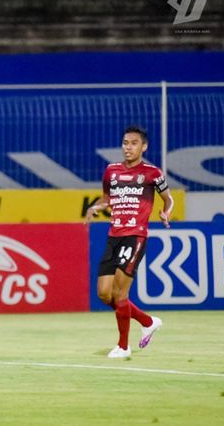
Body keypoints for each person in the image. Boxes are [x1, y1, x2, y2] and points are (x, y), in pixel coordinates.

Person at [85, 125, 172, 359]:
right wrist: (96, 207)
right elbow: (107, 198)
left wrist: (166, 212)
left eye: (134, 143)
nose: (128, 147)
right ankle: (147, 321)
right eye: (125, 143)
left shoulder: (153, 173)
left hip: (135, 236)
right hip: (114, 236)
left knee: (120, 294)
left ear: (144, 146)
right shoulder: (111, 171)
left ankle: (123, 346)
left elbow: (168, 199)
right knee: (104, 294)